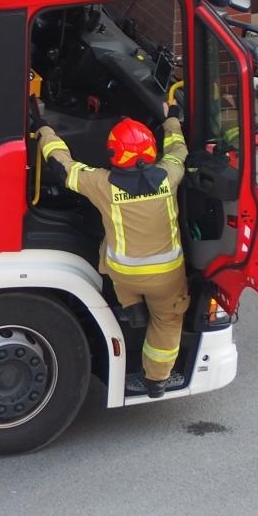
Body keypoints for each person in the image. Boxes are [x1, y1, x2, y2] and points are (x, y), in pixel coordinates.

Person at [35, 100, 189, 397]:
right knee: (168, 322)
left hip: (125, 275)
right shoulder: (169, 176)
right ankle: (156, 381)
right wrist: (172, 120)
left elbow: (62, 166)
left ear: (114, 154)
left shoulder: (101, 183)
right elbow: (178, 150)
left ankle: (131, 306)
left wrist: (44, 129)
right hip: (166, 278)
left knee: (110, 247)